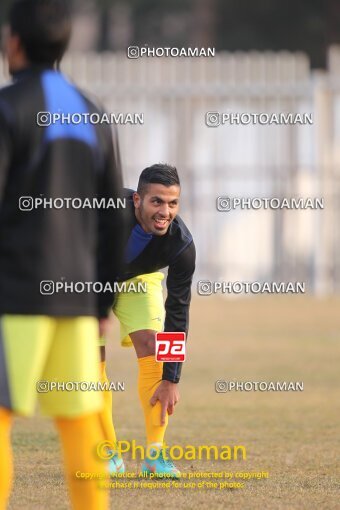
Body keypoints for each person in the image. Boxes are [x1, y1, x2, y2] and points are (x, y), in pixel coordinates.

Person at [0, 1, 125, 509]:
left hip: (12, 296)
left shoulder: (7, 108)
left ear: (15, 42)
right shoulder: (93, 112)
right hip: (75, 298)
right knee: (77, 420)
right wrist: (102, 299)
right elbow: (114, 213)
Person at [100, 164, 196, 478]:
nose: (165, 212)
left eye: (172, 203)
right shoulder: (105, 210)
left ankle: (154, 457)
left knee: (154, 349)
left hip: (138, 280)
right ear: (137, 200)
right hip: (85, 280)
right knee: (89, 360)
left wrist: (172, 379)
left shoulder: (181, 245)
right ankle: (107, 454)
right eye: (157, 201)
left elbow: (178, 313)